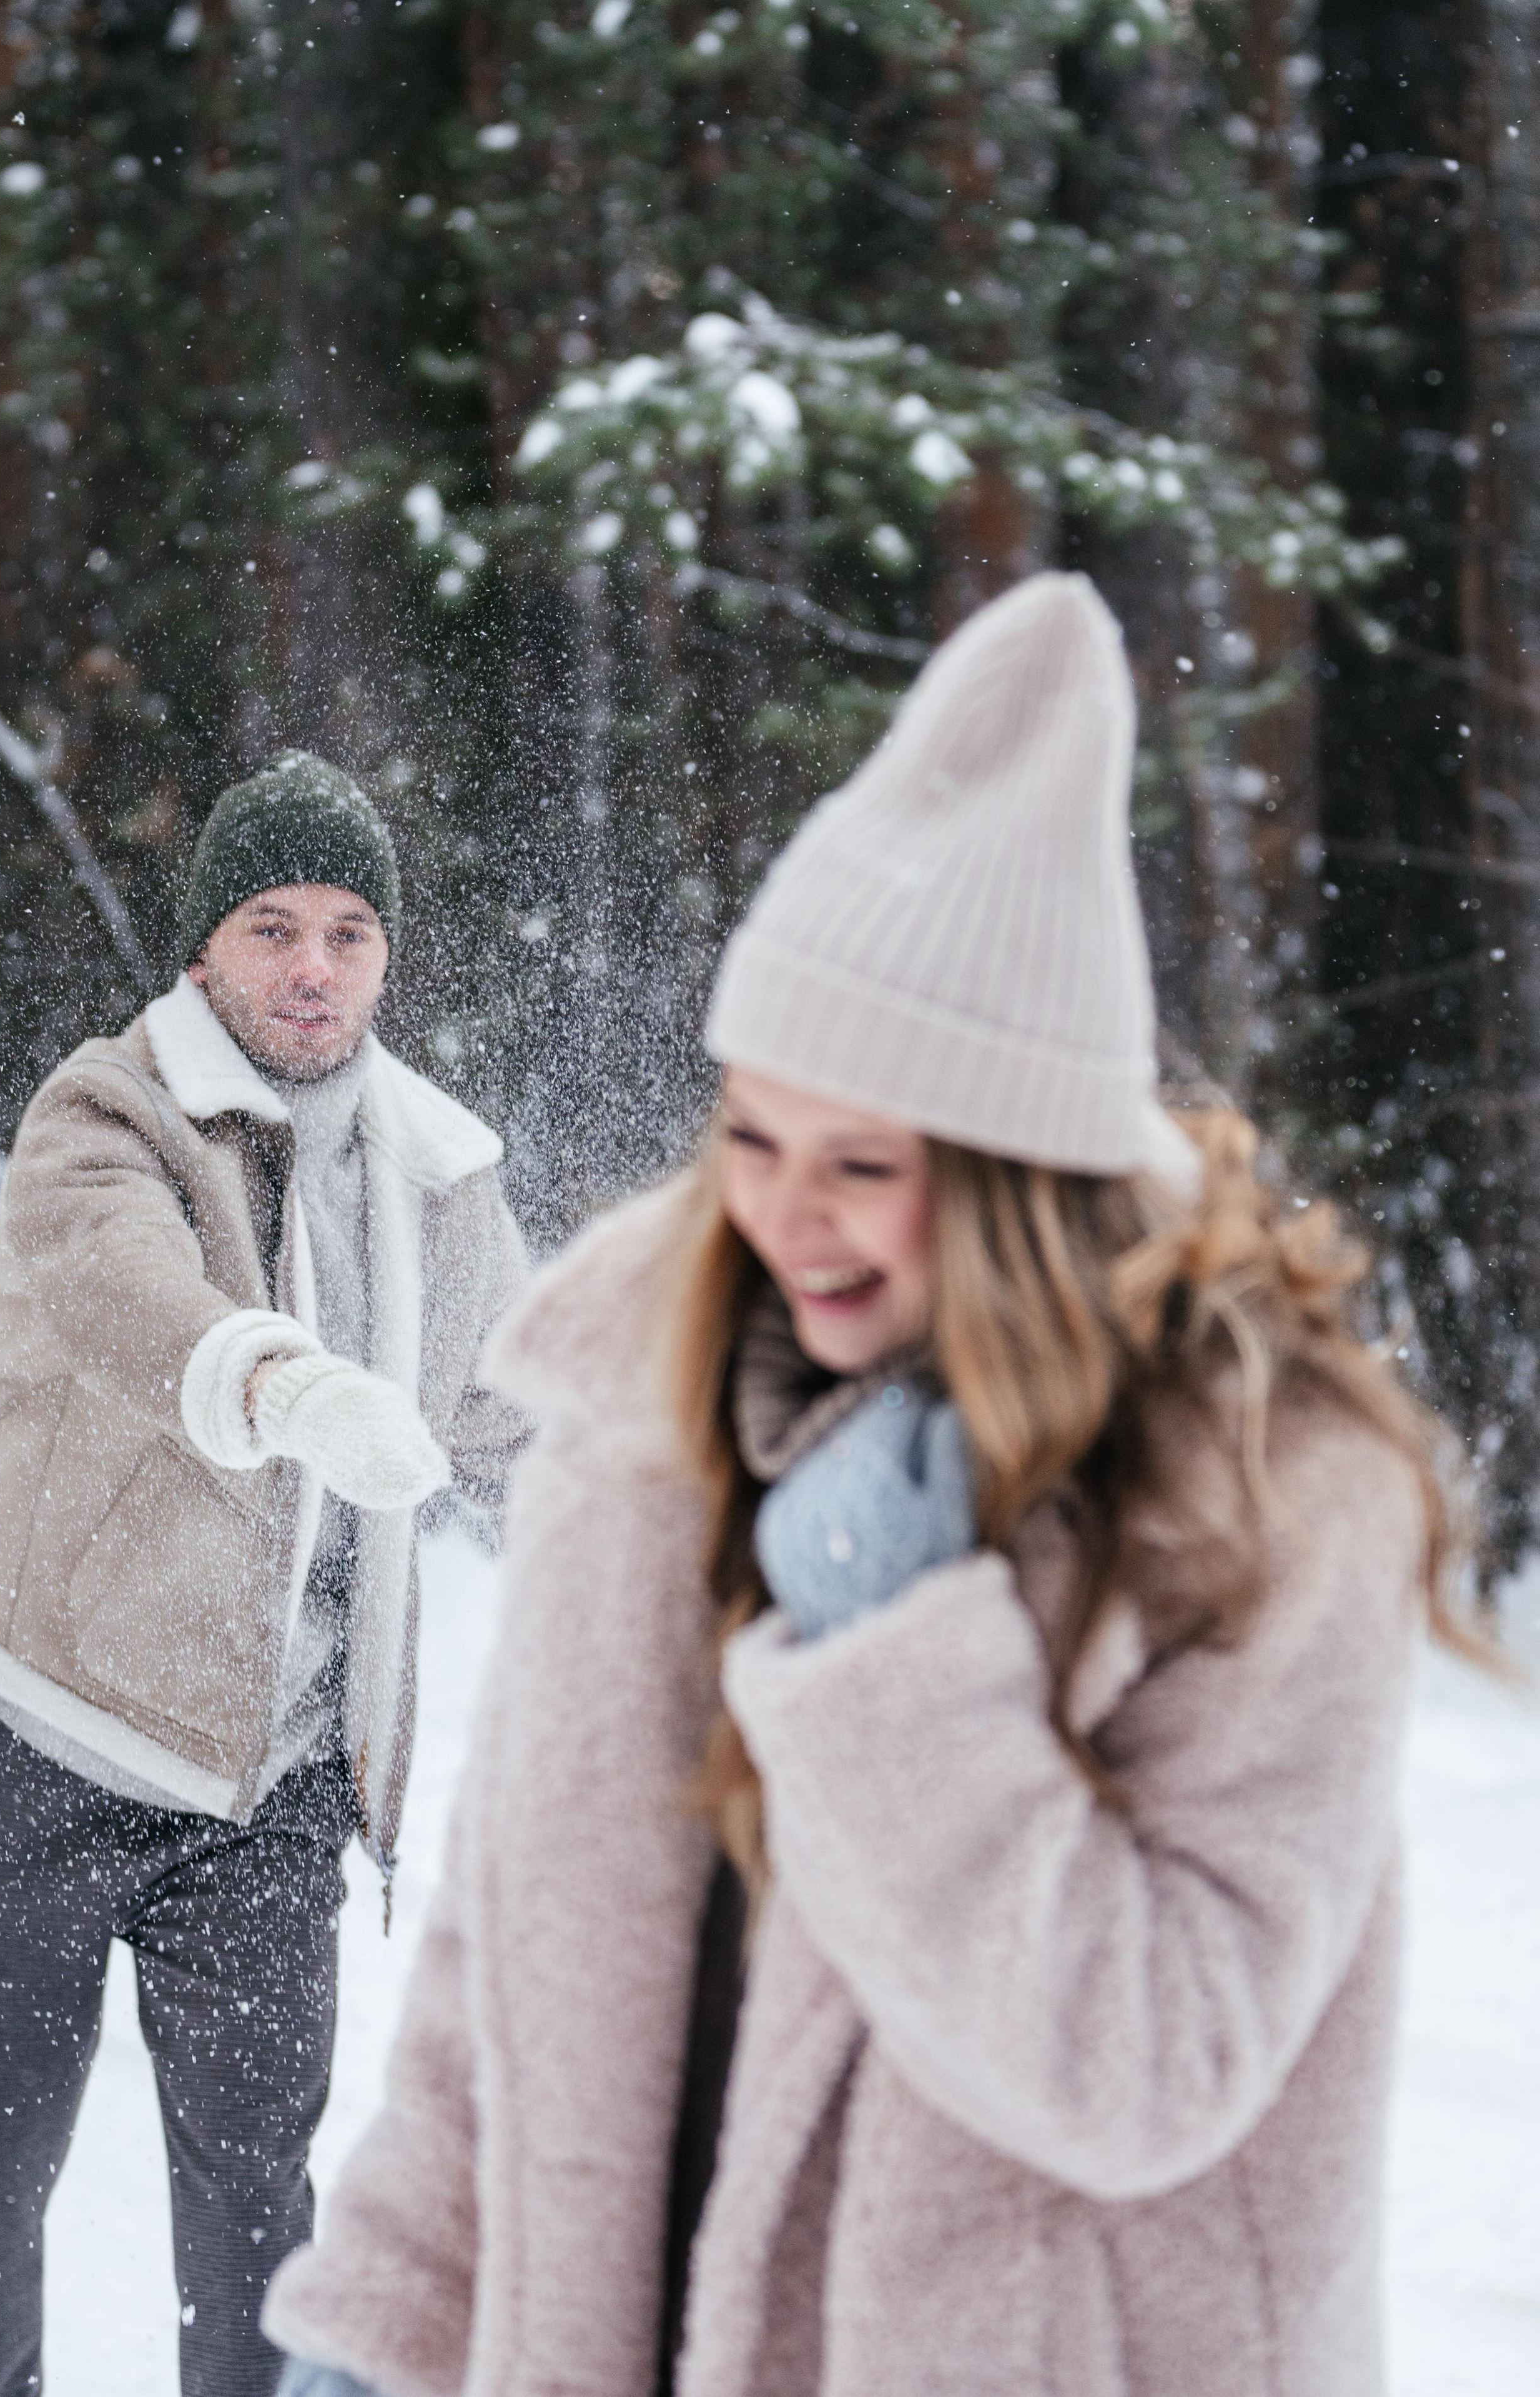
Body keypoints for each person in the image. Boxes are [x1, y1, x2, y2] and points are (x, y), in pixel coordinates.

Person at [265, 580, 1465, 2397]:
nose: (785, 1212)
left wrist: (906, 1658)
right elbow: (505, 1966)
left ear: (1020, 1178)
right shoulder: (652, 1421)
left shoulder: (1260, 1503)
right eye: (751, 1134)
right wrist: (382, 2330)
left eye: (863, 1162)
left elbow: (1153, 2066)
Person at [0, 752, 528, 2397]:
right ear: (208, 949)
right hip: (33, 1739)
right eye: (273, 927)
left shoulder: (440, 1174)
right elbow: (133, 1302)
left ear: (389, 959)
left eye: (350, 931)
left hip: (270, 1787)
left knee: (261, 2213)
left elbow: (515, 1418)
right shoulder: (106, 1112)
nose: (313, 967)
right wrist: (293, 1388)